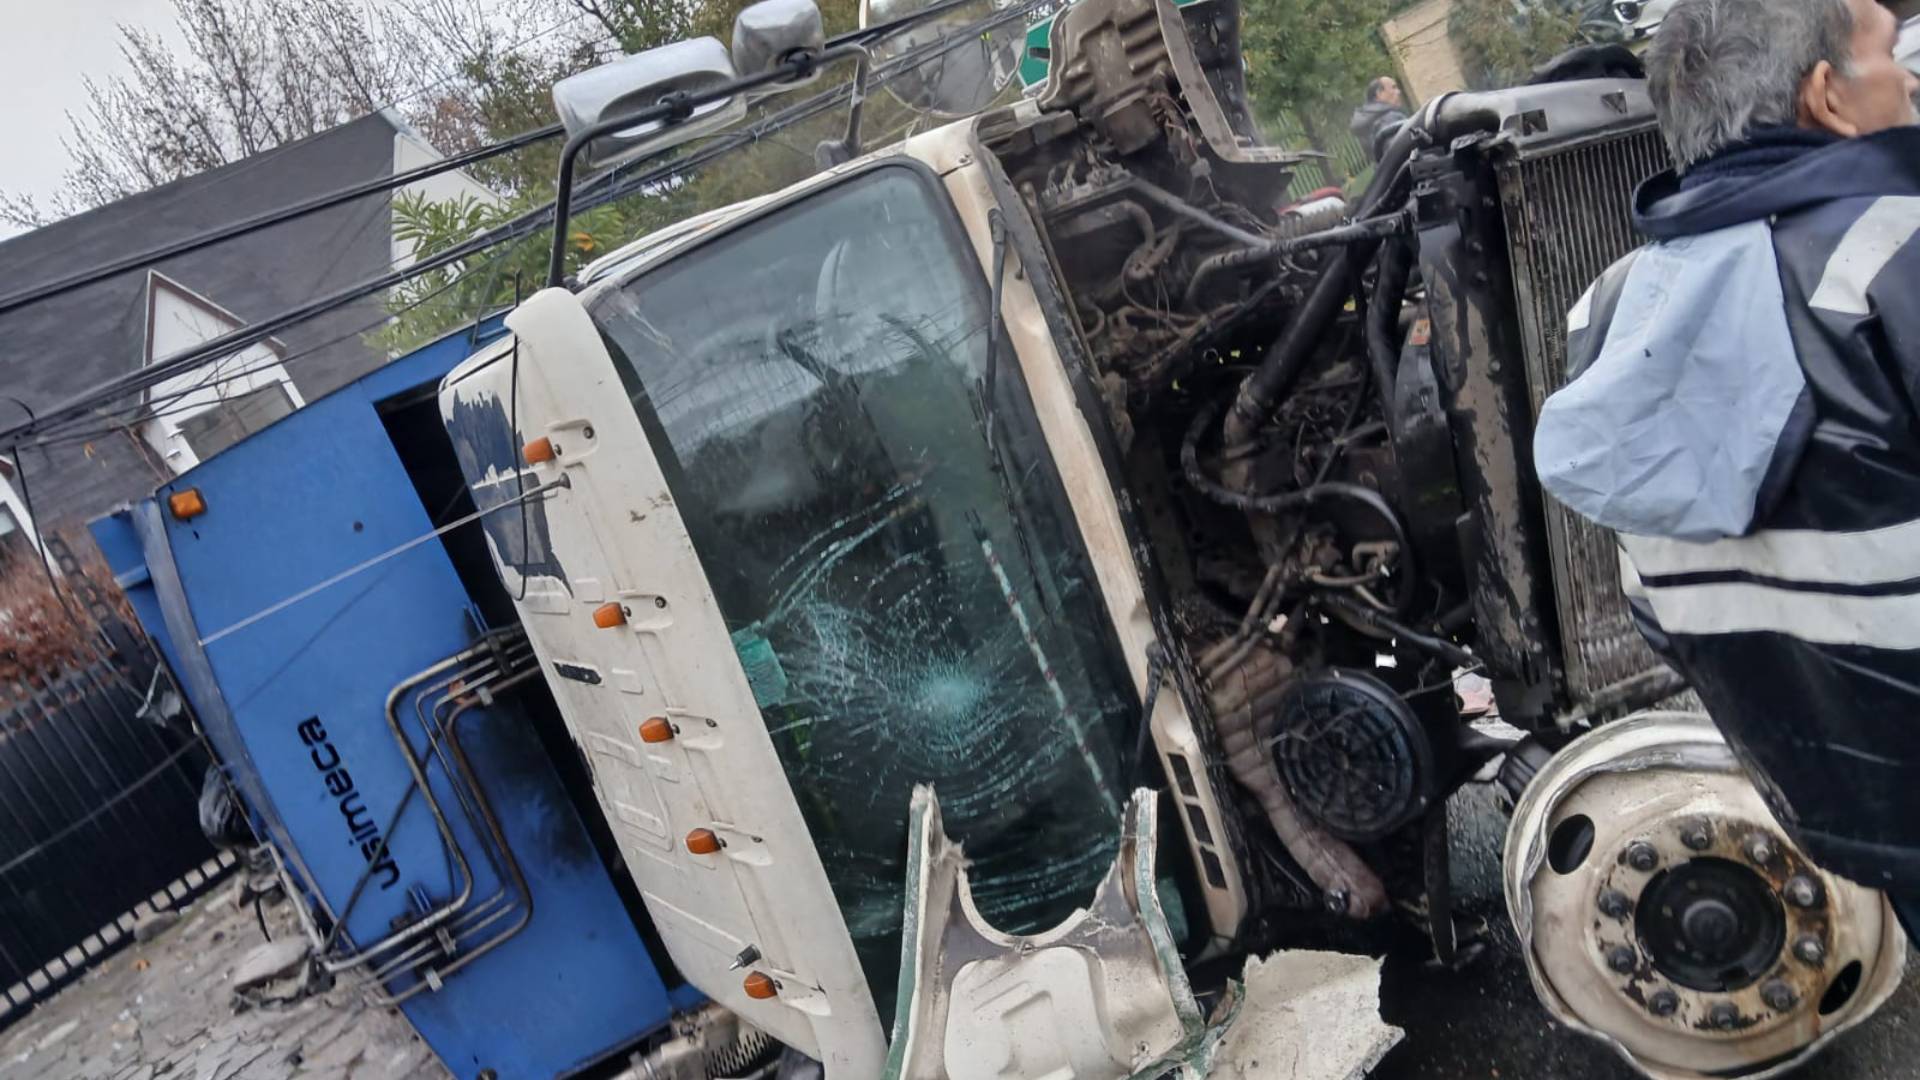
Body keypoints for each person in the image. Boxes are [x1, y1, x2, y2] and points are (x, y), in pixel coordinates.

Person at [1532, 0, 1920, 931]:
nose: (1909, 75)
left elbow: (1659, 614)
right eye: (1889, 54)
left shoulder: (1607, 316)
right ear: (1826, 96)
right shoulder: (1894, 255)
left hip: (1857, 818)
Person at [1348, 76, 1407, 161]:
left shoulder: (1369, 120)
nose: (1398, 92)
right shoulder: (1389, 119)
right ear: (1379, 93)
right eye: (1393, 88)